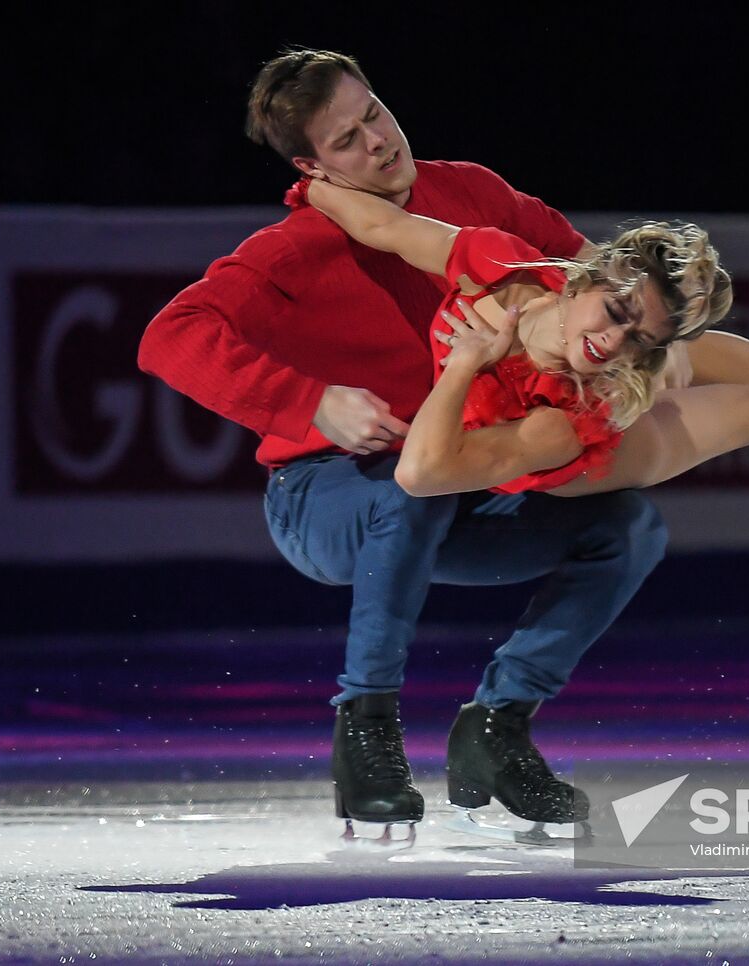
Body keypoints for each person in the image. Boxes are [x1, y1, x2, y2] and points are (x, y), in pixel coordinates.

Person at [139, 48, 670, 841]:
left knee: (627, 526)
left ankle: (496, 727)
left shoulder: (473, 193)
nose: (380, 142)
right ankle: (365, 732)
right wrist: (309, 402)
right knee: (408, 487)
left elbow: (594, 278)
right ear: (312, 166)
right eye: (347, 140)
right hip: (322, 497)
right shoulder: (296, 247)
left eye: (375, 114)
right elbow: (169, 336)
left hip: (451, 488)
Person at [302, 178, 749, 504]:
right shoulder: (502, 264)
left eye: (639, 338)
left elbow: (420, 476)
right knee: (723, 379)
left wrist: (463, 368)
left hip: (584, 453)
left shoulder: (567, 419)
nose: (613, 341)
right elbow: (385, 227)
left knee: (747, 411)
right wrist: (311, 188)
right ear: (582, 277)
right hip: (548, 445)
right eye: (614, 312)